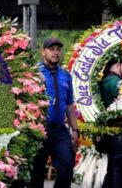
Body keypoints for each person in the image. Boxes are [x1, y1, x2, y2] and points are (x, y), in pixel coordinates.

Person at [29, 37, 79, 188]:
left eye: (58, 49)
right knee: (36, 174)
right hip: (40, 131)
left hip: (60, 131)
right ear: (43, 52)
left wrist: (75, 129)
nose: (56, 53)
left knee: (66, 169)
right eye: (52, 49)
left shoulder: (66, 75)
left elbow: (69, 105)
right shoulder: (34, 73)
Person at [99, 58, 122, 188]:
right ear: (118, 65)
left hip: (108, 129)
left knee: (112, 166)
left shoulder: (105, 79)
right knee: (120, 163)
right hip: (117, 127)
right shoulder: (114, 81)